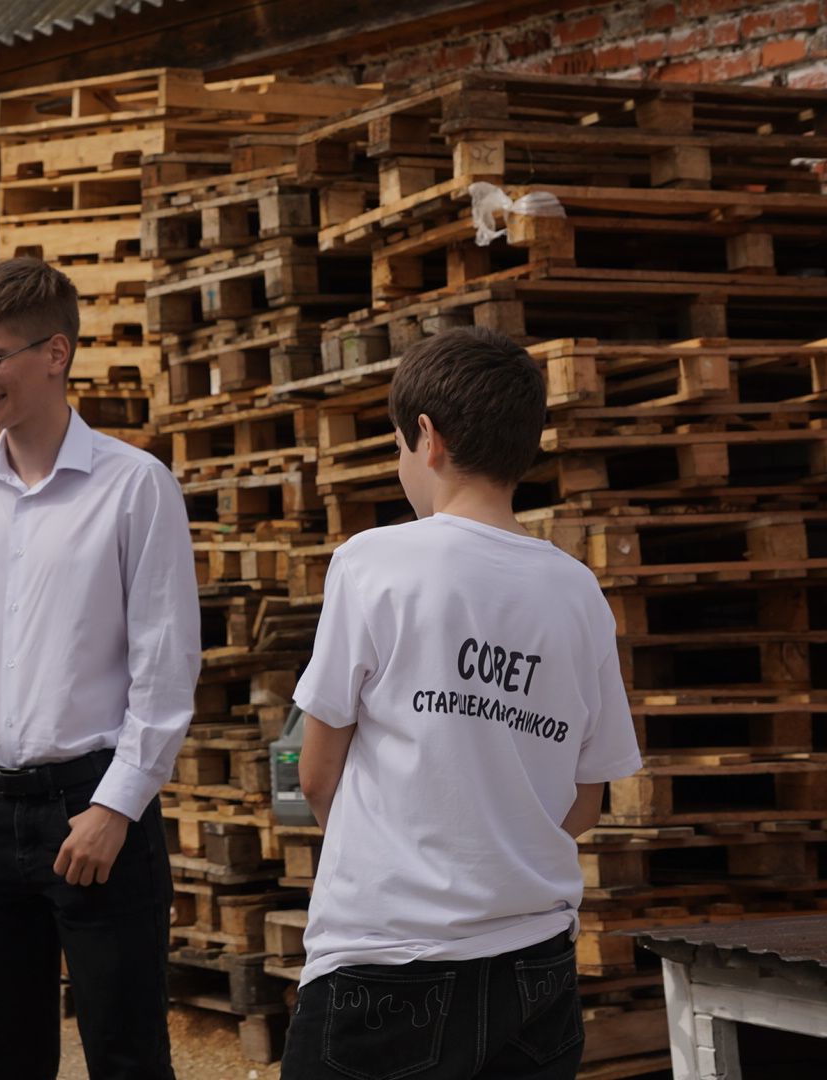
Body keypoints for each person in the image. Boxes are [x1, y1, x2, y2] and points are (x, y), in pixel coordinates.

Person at [278, 328, 643, 1080]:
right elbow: (585, 800)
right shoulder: (577, 592)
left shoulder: (374, 562)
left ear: (428, 437)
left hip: (385, 958)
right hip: (535, 967)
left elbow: (316, 775)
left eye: (398, 446)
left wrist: (395, 859)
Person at [0, 258, 201, 1080]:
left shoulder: (135, 487)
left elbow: (166, 668)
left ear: (56, 352)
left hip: (93, 811)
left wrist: (117, 807)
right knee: (6, 1062)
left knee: (129, 1060)